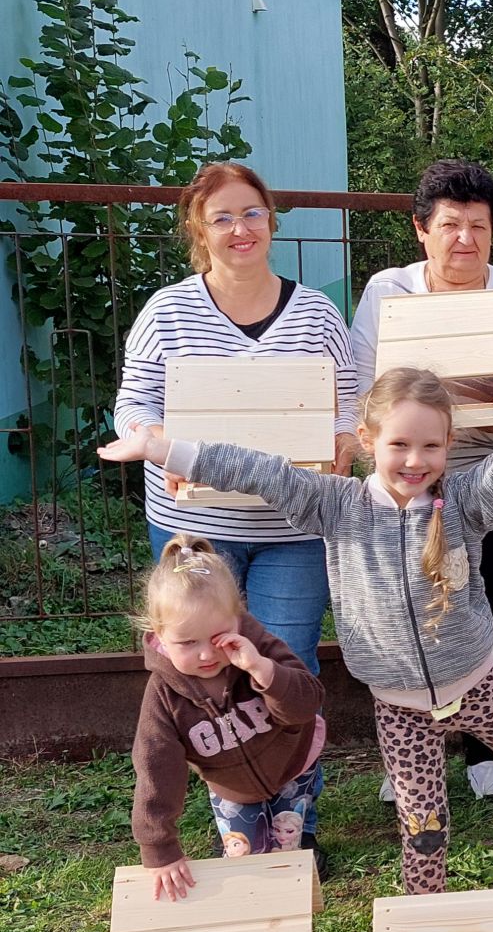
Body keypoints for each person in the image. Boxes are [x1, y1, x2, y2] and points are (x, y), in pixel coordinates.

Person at [99, 368, 493, 894]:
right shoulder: (338, 506)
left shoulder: (461, 502)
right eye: (400, 445)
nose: (416, 461)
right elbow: (261, 470)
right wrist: (162, 448)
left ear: (448, 443)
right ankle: (421, 914)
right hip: (398, 707)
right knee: (423, 826)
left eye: (431, 447)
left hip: (478, 684)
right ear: (367, 439)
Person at [114, 161, 358, 859]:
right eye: (221, 217)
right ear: (199, 229)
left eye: (251, 213)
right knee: (209, 683)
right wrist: (155, 445)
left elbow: (346, 403)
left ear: (272, 221)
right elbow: (135, 404)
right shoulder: (166, 311)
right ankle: (238, 829)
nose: (239, 228)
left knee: (283, 671)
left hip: (291, 529)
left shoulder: (315, 312)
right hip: (198, 529)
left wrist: (342, 442)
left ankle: (295, 828)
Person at [349, 159, 493, 802]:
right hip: (416, 492)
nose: (465, 240)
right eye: (450, 225)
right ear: (421, 229)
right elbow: (363, 387)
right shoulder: (388, 293)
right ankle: (413, 759)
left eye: (478, 226)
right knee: (414, 622)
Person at [131, 535, 326, 899]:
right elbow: (155, 767)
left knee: (287, 854)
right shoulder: (163, 694)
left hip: (294, 765)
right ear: (159, 635)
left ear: (236, 618)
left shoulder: (260, 646)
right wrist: (159, 847)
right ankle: (254, 928)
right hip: (231, 788)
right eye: (187, 643)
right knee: (244, 861)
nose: (206, 654)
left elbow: (306, 703)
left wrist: (263, 670)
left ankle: (290, 924)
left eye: (218, 636)